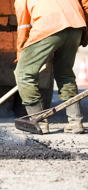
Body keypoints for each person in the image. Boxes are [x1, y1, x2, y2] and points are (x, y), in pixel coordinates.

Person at [14, 0, 88, 134]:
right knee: (64, 73)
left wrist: (21, 56)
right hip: (77, 27)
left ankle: (39, 122)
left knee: (24, 73)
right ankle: (76, 122)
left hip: (49, 25)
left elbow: (23, 27)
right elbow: (85, 4)